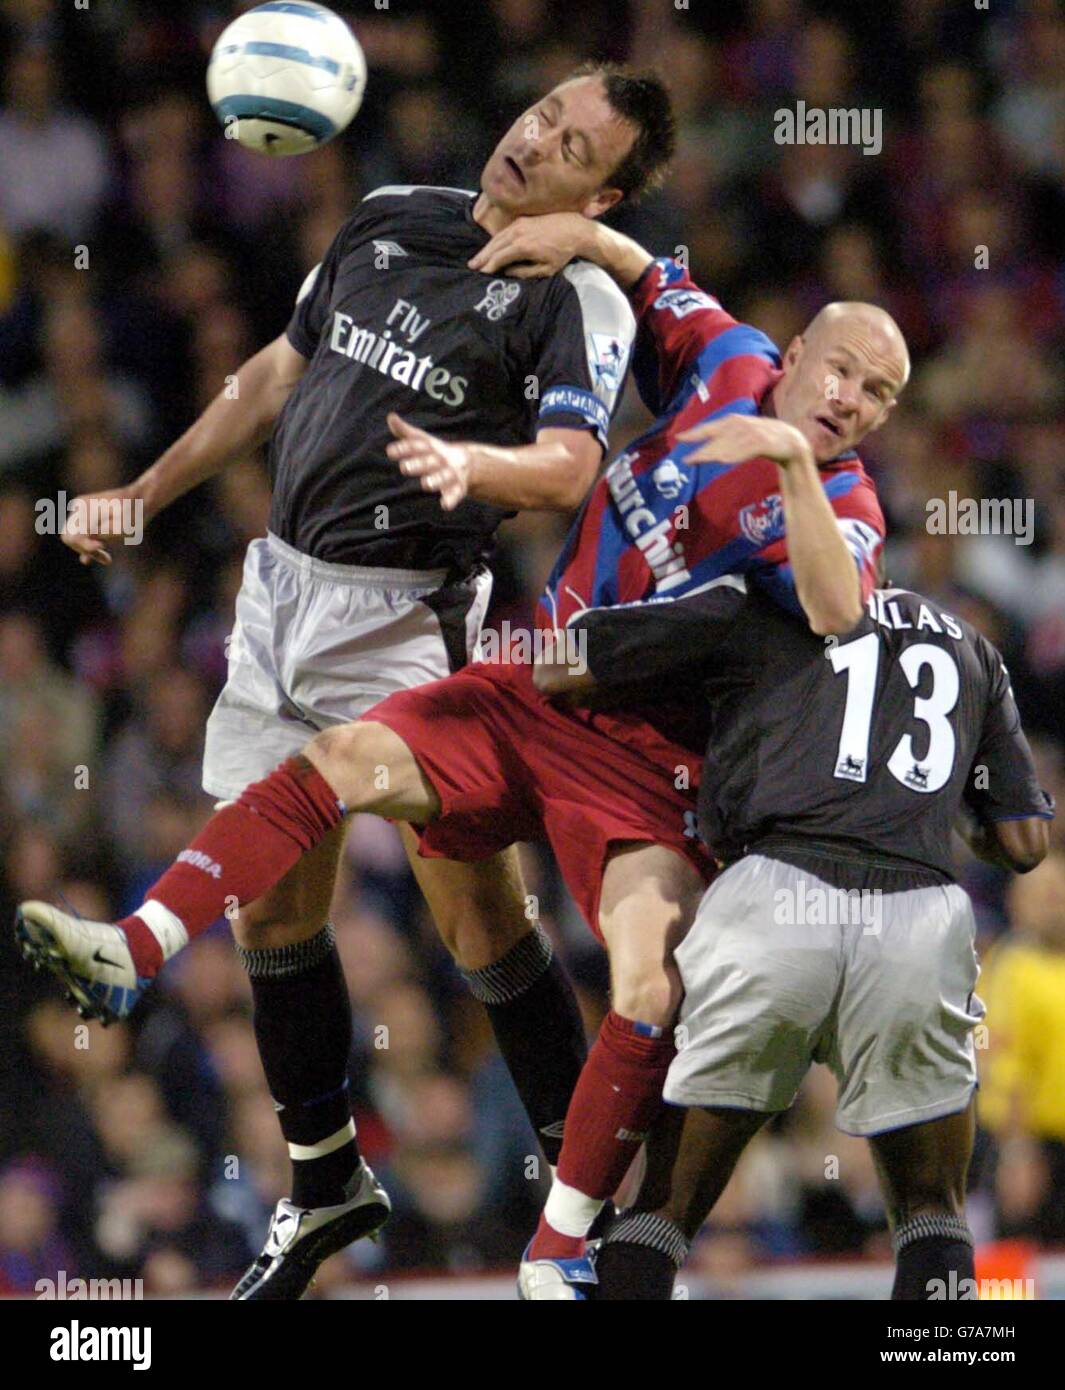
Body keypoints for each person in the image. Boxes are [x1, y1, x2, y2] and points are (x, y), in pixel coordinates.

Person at [18, 216, 904, 1298]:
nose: (850, 398)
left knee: (638, 984)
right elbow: (641, 265)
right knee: (342, 759)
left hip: (650, 763)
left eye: (879, 394)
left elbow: (835, 606)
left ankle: (562, 1240)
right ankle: (136, 945)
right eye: (843, 368)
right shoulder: (723, 354)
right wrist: (567, 221)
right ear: (797, 352)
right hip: (535, 689)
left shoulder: (846, 497)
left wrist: (789, 467)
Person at [46, 65, 676, 1300]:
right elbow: (271, 376)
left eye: (568, 144)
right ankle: (326, 1178)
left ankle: (585, 1202)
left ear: (601, 190)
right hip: (281, 594)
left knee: (481, 920)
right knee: (272, 912)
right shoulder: (390, 211)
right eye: (540, 112)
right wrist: (143, 492)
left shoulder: (577, 299)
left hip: (411, 623)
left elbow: (564, 471)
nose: (530, 139)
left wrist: (469, 465)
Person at [534, 577, 1052, 1300]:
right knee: (933, 1215)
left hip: (774, 893)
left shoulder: (763, 594)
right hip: (916, 912)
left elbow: (561, 662)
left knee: (665, 1212)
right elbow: (1023, 841)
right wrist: (924, 798)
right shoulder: (969, 642)